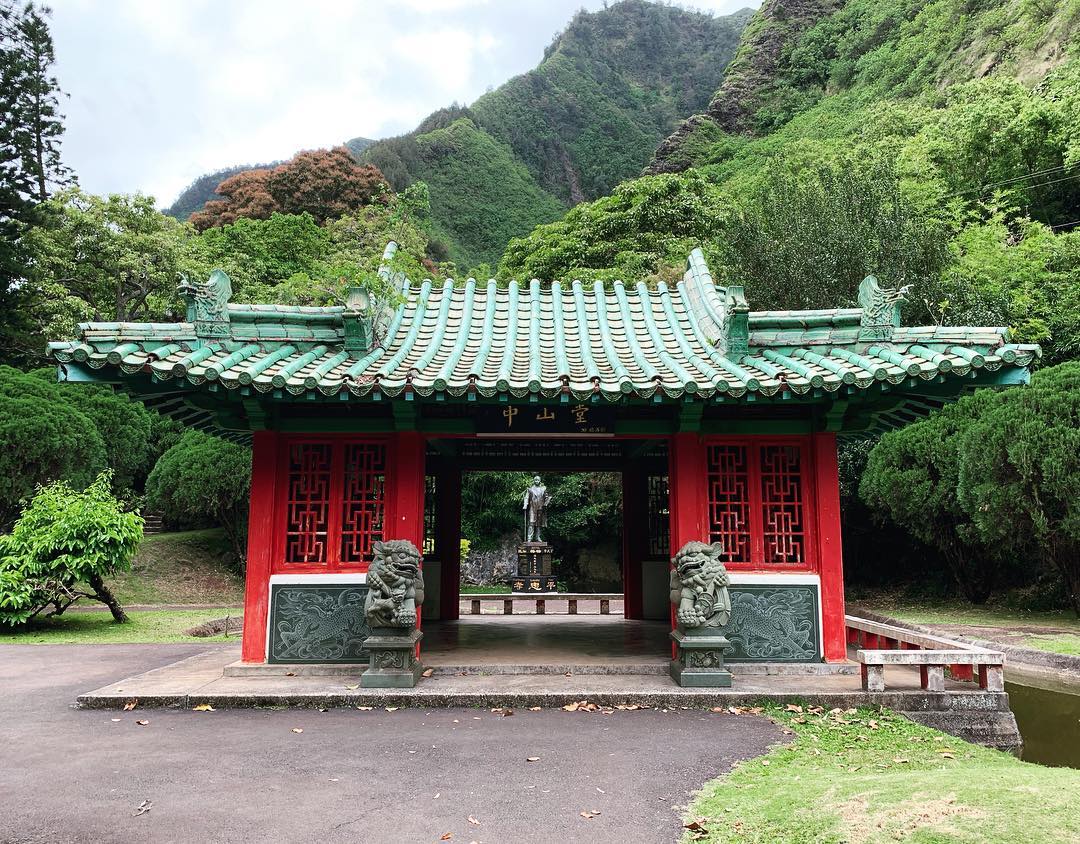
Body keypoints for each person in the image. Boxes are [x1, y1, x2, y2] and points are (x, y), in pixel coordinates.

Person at [522, 475, 550, 543]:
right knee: (531, 523)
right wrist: (525, 505)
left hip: (540, 508)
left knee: (539, 524)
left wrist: (546, 503)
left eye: (538, 480)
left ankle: (538, 537)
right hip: (532, 508)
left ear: (540, 481)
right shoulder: (530, 489)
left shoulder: (543, 489)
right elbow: (526, 497)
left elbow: (547, 497)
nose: (536, 481)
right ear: (533, 481)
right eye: (535, 480)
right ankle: (529, 538)